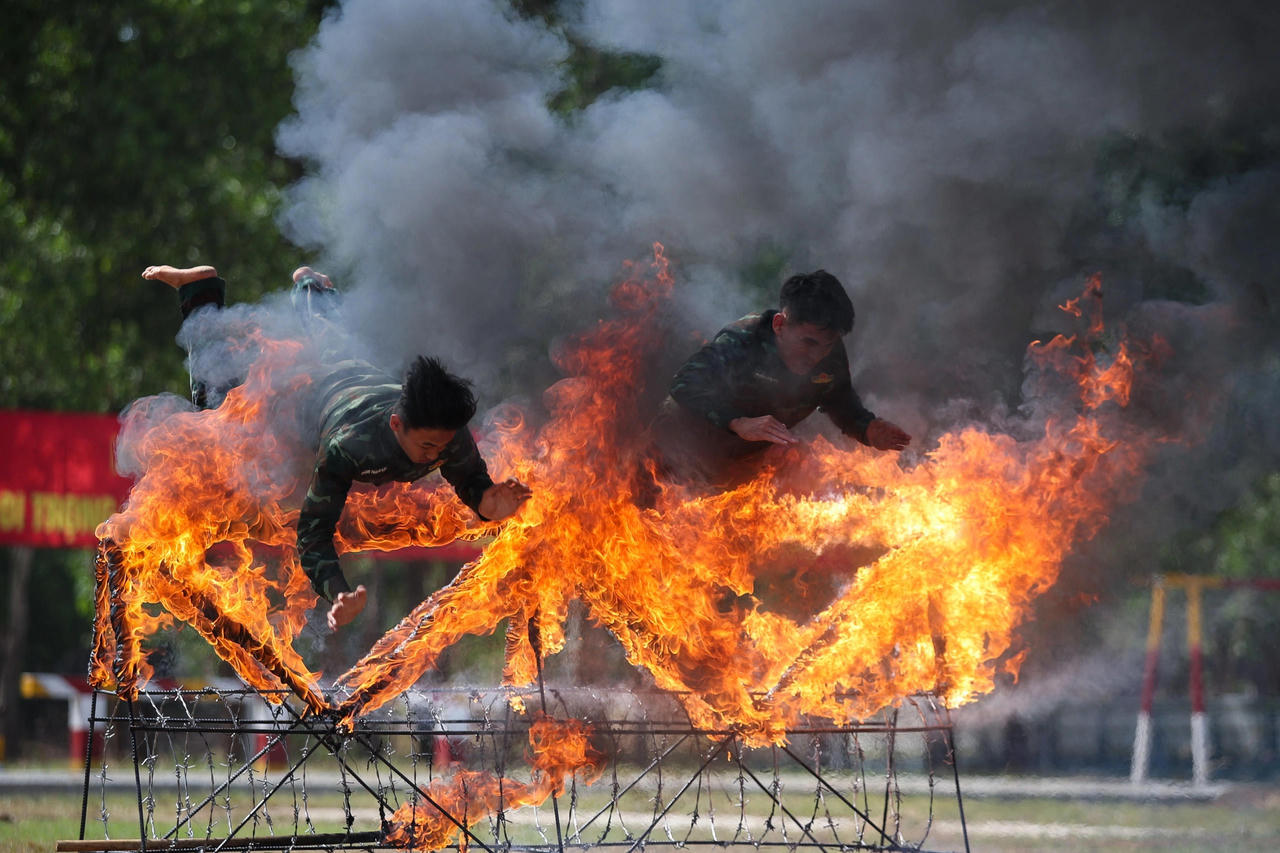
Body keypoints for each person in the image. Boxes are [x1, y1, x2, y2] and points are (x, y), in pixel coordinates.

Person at [142, 264, 532, 630]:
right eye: (427, 447)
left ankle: (310, 287)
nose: (435, 456)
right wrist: (338, 590)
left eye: (442, 447)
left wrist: (489, 504)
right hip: (292, 406)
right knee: (212, 416)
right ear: (397, 424)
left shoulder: (448, 434)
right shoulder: (350, 447)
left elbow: (472, 482)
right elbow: (313, 532)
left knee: (334, 342)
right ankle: (200, 291)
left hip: (352, 373)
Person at [649, 269, 910, 489]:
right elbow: (685, 383)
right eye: (808, 342)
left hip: (741, 465)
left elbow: (840, 402)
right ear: (779, 325)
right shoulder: (743, 340)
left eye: (827, 344)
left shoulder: (830, 354)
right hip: (676, 454)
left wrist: (868, 427)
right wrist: (738, 422)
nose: (817, 355)